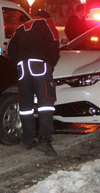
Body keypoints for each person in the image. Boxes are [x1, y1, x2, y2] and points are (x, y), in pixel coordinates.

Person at [6, 9, 60, 156]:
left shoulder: (21, 28)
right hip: (40, 66)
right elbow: (55, 45)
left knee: (26, 105)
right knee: (45, 103)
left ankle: (28, 139)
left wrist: (20, 60)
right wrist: (50, 64)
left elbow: (9, 48)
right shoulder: (47, 23)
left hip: (23, 67)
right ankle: (44, 139)